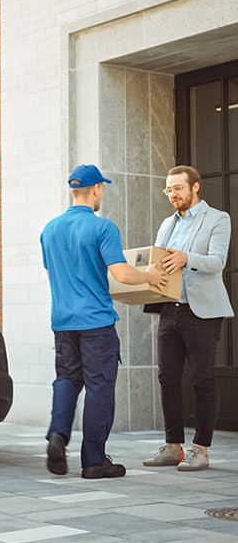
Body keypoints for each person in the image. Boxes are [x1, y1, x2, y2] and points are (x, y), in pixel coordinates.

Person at [41, 164, 166, 479]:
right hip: (95, 322)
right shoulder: (102, 227)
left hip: (63, 321)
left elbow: (59, 272)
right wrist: (149, 275)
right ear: (96, 189)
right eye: (102, 189)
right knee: (99, 387)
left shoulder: (50, 229)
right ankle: (94, 460)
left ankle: (57, 436)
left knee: (67, 380)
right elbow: (122, 273)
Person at [142, 165, 234, 472]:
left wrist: (186, 258)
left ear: (195, 187)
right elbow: (158, 261)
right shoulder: (167, 224)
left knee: (202, 377)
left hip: (202, 311)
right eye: (168, 190)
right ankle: (173, 446)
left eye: (177, 188)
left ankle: (201, 449)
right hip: (170, 309)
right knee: (167, 378)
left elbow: (217, 262)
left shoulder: (218, 218)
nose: (172, 195)